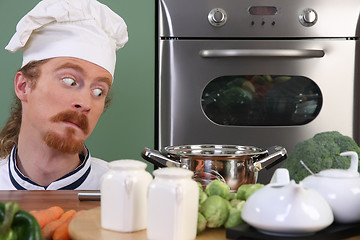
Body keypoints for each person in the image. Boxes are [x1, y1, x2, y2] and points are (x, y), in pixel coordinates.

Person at [0, 0, 128, 190]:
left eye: (98, 91)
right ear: (24, 86)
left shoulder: (122, 192)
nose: (86, 103)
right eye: (70, 81)